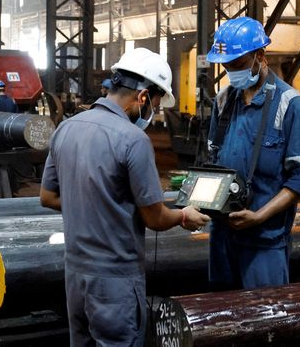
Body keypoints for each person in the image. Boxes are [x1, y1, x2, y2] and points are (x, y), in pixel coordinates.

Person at [40, 47, 210, 347]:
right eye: (155, 105)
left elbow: (47, 196)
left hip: (76, 275)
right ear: (143, 97)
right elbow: (155, 217)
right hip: (114, 281)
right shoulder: (133, 140)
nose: (152, 113)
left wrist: (93, 203)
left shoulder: (66, 128)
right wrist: (184, 216)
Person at [205, 16, 300, 290]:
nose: (232, 72)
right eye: (227, 67)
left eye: (239, 65)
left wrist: (259, 216)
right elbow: (213, 163)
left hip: (264, 243)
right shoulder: (223, 102)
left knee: (265, 319)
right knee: (221, 318)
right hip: (221, 238)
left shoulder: (291, 105)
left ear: (260, 56)